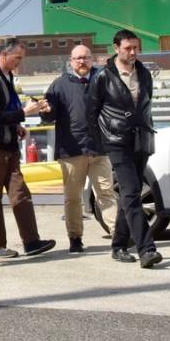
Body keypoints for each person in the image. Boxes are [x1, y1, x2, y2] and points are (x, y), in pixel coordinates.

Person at [87, 29, 162, 268]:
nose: (132, 52)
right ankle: (146, 249)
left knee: (131, 195)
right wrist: (101, 142)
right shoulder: (103, 76)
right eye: (128, 48)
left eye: (135, 48)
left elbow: (145, 105)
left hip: (141, 139)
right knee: (130, 192)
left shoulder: (144, 74)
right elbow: (91, 112)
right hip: (116, 141)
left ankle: (118, 245)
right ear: (116, 48)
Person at [0, 38, 55, 258]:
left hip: (9, 147)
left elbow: (3, 112)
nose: (19, 62)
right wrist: (24, 113)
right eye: (17, 58)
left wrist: (16, 125)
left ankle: (31, 241)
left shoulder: (6, 76)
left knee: (20, 193)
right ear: (4, 55)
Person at [43, 44, 117, 252]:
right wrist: (46, 111)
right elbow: (49, 114)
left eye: (85, 57)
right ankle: (75, 238)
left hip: (99, 148)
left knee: (106, 192)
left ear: (92, 59)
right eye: (78, 58)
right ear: (71, 61)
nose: (82, 62)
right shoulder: (59, 85)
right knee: (72, 197)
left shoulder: (103, 80)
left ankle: (117, 235)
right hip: (72, 150)